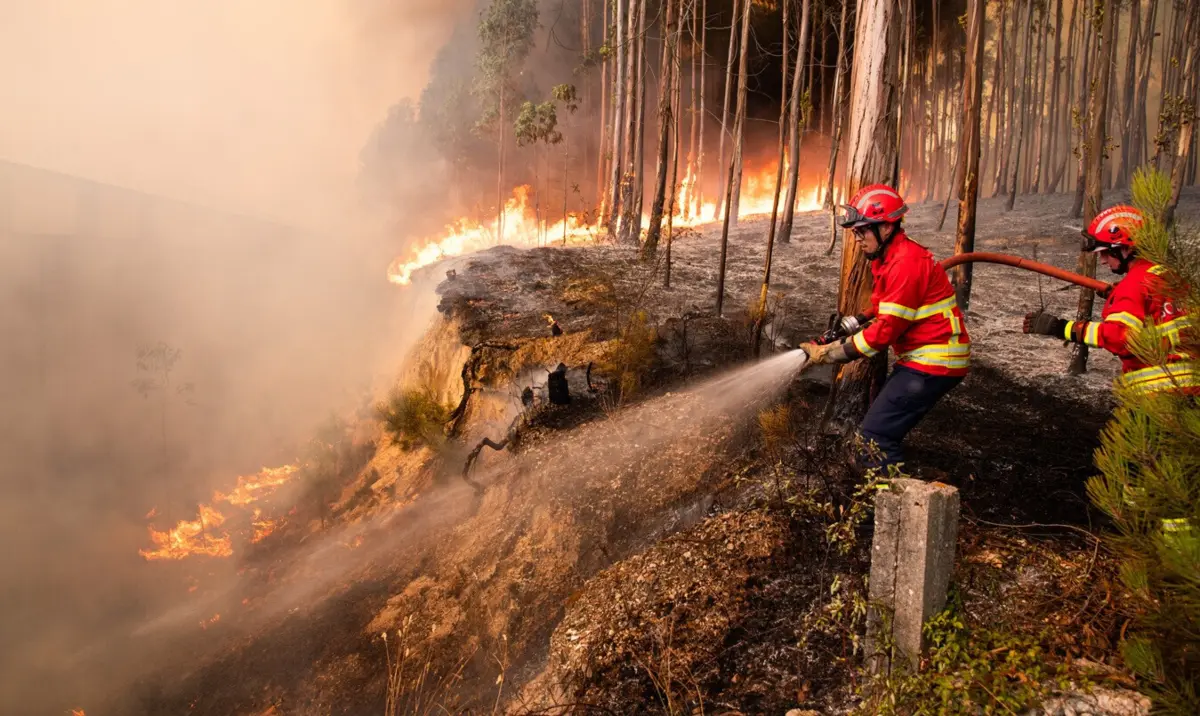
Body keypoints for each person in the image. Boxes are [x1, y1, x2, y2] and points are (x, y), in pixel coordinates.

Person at [799, 184, 971, 470]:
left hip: (934, 363)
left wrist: (831, 354)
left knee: (874, 441)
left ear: (887, 228)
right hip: (926, 360)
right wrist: (850, 325)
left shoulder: (905, 263)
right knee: (878, 433)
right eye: (856, 232)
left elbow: (885, 332)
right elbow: (882, 307)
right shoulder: (891, 257)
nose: (858, 239)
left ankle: (889, 509)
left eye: (862, 231)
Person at [1023, 205, 1197, 395]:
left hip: (1159, 393)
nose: (1103, 260)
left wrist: (1061, 328)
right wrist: (1117, 294)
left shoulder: (1133, 285)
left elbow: (1119, 337)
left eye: (1105, 252)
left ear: (1125, 249)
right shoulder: (1169, 276)